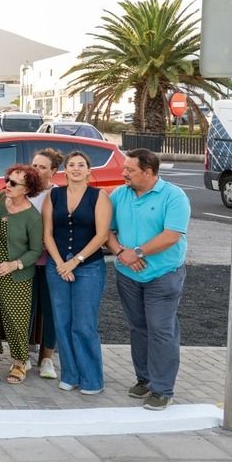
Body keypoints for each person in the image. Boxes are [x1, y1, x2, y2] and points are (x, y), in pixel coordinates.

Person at [106, 148, 190, 411]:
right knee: (138, 328)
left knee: (161, 329)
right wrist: (121, 253)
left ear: (149, 172)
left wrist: (138, 252)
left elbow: (171, 236)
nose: (123, 174)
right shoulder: (119, 195)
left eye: (129, 170)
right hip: (128, 275)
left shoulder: (173, 196)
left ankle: (163, 389)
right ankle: (144, 379)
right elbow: (107, 231)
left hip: (163, 275)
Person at [42, 150, 112, 395]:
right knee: (63, 322)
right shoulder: (55, 195)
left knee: (83, 324)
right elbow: (47, 233)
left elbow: (102, 234)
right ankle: (70, 375)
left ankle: (92, 379)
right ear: (65, 170)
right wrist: (61, 263)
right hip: (57, 267)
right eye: (71, 165)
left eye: (81, 165)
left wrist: (76, 261)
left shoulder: (98, 196)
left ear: (88, 171)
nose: (76, 169)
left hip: (89, 267)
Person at [0, 164, 45, 385]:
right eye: (7, 179)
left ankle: (20, 362)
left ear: (27, 188)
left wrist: (14, 265)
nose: (7, 185)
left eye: (13, 183)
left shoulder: (32, 216)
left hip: (16, 275)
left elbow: (36, 250)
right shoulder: (1, 199)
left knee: (16, 319)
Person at [27, 148, 64, 380]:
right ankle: (21, 355)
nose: (37, 170)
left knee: (51, 310)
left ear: (53, 171)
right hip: (25, 261)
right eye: (34, 165)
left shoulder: (57, 194)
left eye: (42, 167)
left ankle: (47, 358)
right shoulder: (23, 191)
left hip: (50, 260)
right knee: (25, 308)